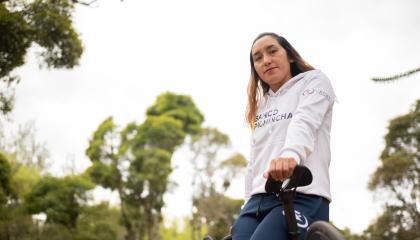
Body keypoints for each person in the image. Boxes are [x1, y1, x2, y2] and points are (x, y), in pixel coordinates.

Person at [231, 32, 336, 240]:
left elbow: (304, 121)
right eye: (258, 58)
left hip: (301, 193)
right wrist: (246, 206)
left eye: (272, 51)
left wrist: (290, 155)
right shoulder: (260, 106)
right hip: (257, 201)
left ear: (289, 55)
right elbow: (255, 159)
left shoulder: (314, 81)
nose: (266, 60)